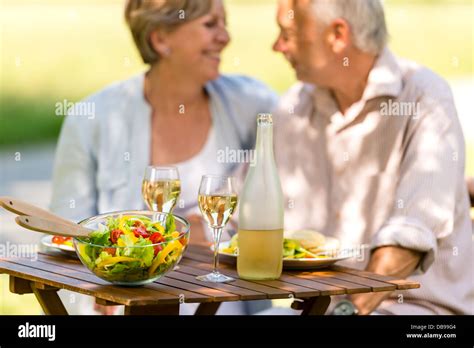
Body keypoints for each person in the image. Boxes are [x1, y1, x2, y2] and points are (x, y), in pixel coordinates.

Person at [50, 0, 277, 315]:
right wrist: (96, 296)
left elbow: (277, 203)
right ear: (161, 40)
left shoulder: (252, 104)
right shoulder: (93, 118)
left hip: (222, 305)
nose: (226, 38)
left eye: (224, 24)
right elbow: (63, 235)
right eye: (210, 24)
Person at [271, 0, 473, 315]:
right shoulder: (294, 107)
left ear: (337, 35)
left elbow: (409, 241)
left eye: (288, 33)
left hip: (420, 313)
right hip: (322, 309)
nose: (276, 46)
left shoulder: (425, 98)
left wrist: (347, 309)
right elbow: (240, 221)